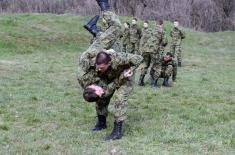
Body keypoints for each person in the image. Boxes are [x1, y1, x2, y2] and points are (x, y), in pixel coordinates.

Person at [78, 51, 143, 140]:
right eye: (98, 67)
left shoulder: (120, 59)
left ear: (109, 63)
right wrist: (102, 92)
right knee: (102, 97)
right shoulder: (86, 81)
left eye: (101, 67)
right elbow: (110, 87)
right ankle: (101, 123)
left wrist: (130, 70)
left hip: (125, 76)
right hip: (108, 77)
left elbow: (139, 59)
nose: (99, 69)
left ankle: (117, 131)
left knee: (120, 98)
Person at [148, 20, 168, 87]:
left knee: (153, 65)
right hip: (157, 52)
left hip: (148, 51)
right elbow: (165, 42)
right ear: (162, 25)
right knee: (158, 66)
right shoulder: (162, 31)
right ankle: (154, 83)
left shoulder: (151, 30)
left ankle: (151, 80)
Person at [138, 20, 152, 86]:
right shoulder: (141, 30)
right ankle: (141, 80)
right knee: (145, 65)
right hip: (144, 51)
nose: (145, 25)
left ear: (148, 24)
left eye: (146, 24)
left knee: (146, 65)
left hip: (147, 50)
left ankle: (141, 80)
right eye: (144, 24)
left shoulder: (150, 31)